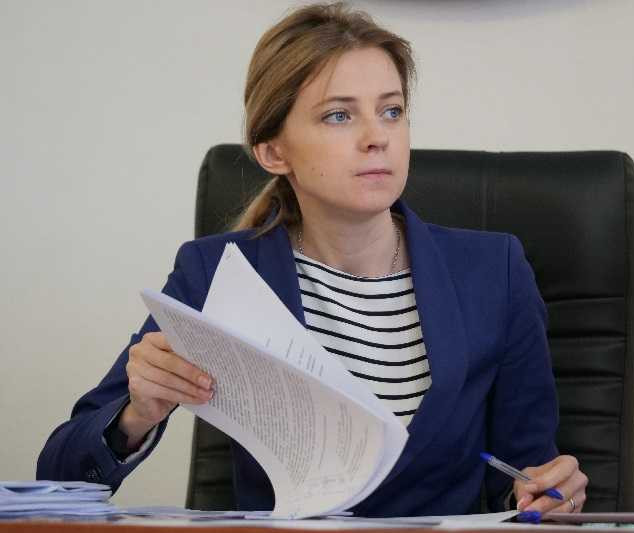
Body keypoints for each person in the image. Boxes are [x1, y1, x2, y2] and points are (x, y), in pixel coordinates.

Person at [37, 1, 588, 518]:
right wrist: (136, 416)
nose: (377, 137)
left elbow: (524, 474)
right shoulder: (216, 273)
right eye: (339, 116)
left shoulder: (495, 272)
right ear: (273, 151)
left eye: (392, 111)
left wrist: (545, 492)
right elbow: (58, 476)